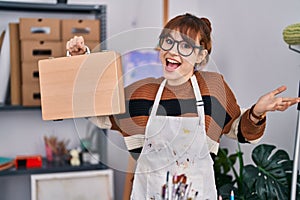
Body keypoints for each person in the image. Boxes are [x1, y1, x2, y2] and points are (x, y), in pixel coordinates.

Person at [66, 13, 300, 199]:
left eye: (185, 46)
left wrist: (257, 112)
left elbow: (237, 130)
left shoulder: (213, 88)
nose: (173, 51)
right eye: (168, 41)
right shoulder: (142, 92)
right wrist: (81, 60)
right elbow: (99, 112)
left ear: (201, 56)